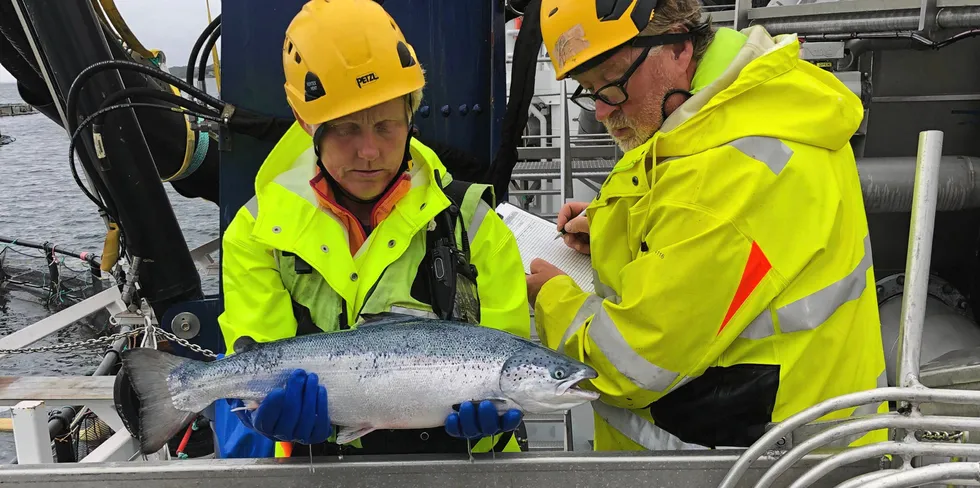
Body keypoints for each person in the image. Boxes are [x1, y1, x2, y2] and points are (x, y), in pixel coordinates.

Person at [526, 0, 887, 451]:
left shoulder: (725, 174)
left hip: (752, 463)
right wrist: (612, 225)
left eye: (612, 85)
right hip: (799, 436)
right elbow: (705, 233)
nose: (600, 111)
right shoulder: (745, 108)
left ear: (677, 47)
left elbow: (631, 363)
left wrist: (553, 298)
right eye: (587, 90)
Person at [211, 0, 531, 459]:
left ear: (411, 114)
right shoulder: (257, 231)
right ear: (307, 124)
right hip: (314, 468)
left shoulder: (474, 221)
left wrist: (491, 428)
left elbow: (508, 361)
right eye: (344, 129)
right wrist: (266, 417)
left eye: (385, 126)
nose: (368, 151)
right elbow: (255, 367)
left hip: (458, 470)